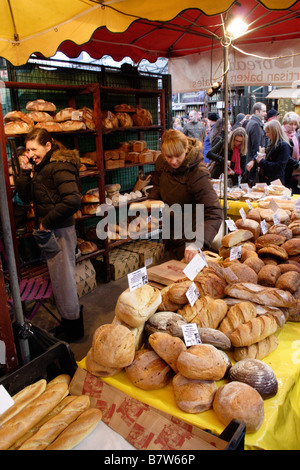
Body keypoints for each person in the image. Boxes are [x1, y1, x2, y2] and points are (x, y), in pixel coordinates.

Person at [15, 128, 83, 342]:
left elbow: (72, 200)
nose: (30, 153)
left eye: (34, 148)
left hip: (60, 229)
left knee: (64, 281)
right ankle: (69, 323)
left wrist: (46, 222)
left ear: (48, 145)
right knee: (60, 279)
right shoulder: (41, 167)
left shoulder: (58, 167)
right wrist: (25, 171)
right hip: (52, 230)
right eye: (27, 149)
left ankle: (74, 331)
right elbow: (26, 197)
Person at [148, 129, 223, 263]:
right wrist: (150, 203)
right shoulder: (162, 163)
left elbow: (214, 212)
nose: (173, 161)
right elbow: (158, 186)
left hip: (193, 236)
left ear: (186, 148)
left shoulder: (197, 173)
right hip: (172, 233)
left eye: (178, 156)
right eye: (169, 156)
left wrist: (198, 242)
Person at [247, 119, 292, 185]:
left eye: (268, 132)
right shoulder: (270, 142)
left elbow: (279, 166)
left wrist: (262, 162)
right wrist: (253, 160)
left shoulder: (284, 146)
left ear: (274, 132)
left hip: (275, 181)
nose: (267, 135)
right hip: (265, 179)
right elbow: (261, 152)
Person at [245, 102, 267, 185]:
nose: (265, 113)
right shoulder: (255, 125)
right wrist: (254, 160)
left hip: (251, 161)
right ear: (257, 111)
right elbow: (256, 147)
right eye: (263, 111)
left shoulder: (252, 123)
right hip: (252, 164)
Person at [282, 111, 300, 190]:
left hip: (294, 171)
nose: (293, 127)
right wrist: (296, 163)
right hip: (285, 170)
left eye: (295, 124)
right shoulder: (282, 135)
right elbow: (284, 155)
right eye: (290, 124)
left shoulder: (294, 135)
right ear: (285, 123)